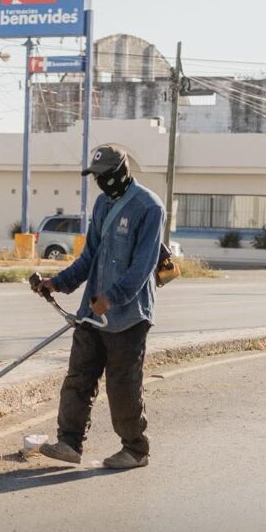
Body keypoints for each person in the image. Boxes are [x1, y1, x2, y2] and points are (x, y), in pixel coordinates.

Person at [34, 145, 166, 470]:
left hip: (128, 316)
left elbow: (143, 265)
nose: (99, 183)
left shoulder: (149, 207)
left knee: (122, 385)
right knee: (78, 377)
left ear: (119, 172)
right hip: (91, 313)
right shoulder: (102, 204)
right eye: (95, 177)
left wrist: (113, 296)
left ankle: (135, 450)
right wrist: (58, 283)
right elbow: (89, 257)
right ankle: (69, 443)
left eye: (103, 177)